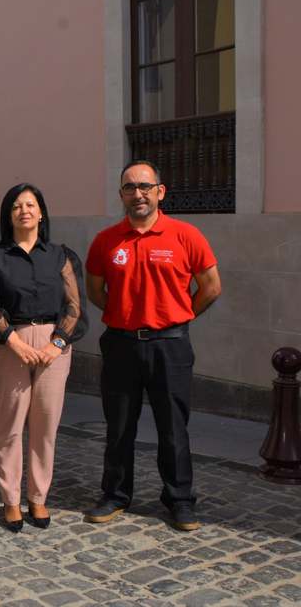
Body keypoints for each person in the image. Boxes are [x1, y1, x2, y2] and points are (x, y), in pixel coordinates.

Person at [84, 160, 221, 532]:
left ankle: (180, 500)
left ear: (160, 192)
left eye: (145, 186)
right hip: (121, 345)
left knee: (173, 428)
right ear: (121, 195)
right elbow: (95, 290)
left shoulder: (185, 235)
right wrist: (125, 314)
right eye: (130, 187)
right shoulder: (106, 240)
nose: (138, 194)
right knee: (119, 426)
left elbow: (211, 286)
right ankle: (115, 495)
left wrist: (178, 315)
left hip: (170, 346)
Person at [0, 183, 88, 532]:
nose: (24, 210)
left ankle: (38, 497)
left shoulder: (61, 256)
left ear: (41, 213)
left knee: (45, 425)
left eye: (30, 205)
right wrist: (14, 341)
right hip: (7, 344)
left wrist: (56, 344)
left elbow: (74, 306)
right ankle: (11, 500)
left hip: (53, 345)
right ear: (8, 215)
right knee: (9, 425)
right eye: (16, 206)